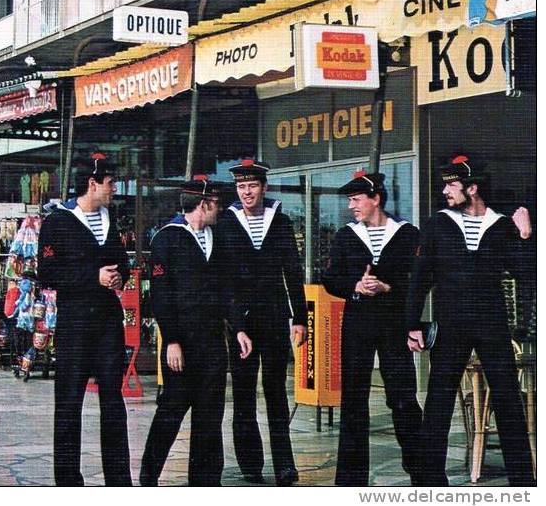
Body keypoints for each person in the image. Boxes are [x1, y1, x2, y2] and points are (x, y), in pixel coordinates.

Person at [406, 155, 536, 486]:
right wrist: (411, 324)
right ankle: (430, 480)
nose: (446, 191)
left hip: (492, 325)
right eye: (446, 185)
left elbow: (527, 275)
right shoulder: (438, 224)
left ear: (472, 188)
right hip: (450, 326)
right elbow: (420, 278)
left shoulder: (503, 225)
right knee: (438, 399)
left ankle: (522, 481)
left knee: (507, 399)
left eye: (452, 185)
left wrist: (525, 235)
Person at [321, 171, 423, 486]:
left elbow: (418, 282)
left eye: (356, 199)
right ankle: (351, 480)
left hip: (394, 326)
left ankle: (421, 469)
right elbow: (329, 279)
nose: (351, 206)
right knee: (353, 400)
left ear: (375, 198)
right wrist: (355, 285)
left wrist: (386, 287)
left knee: (403, 397)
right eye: (350, 200)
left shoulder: (407, 234)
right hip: (357, 325)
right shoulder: (345, 236)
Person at [38, 153, 131, 486]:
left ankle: (119, 480)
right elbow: (47, 273)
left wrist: (120, 276)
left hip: (107, 322)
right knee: (68, 403)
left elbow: (121, 261)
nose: (115, 188)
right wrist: (93, 277)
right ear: (93, 184)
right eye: (110, 182)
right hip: (75, 324)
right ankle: (68, 481)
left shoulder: (111, 218)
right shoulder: (57, 222)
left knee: (113, 400)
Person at [214, 158, 305, 486]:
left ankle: (285, 464)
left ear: (264, 188)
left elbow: (293, 272)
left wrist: (300, 318)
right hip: (241, 324)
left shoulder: (280, 222)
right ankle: (251, 463)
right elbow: (223, 280)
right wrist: (235, 325)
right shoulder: (226, 223)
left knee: (276, 391)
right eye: (241, 187)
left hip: (275, 317)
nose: (247, 192)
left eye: (252, 186)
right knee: (243, 393)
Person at [140, 177, 229, 486]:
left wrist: (239, 329)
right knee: (171, 410)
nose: (220, 209)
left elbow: (226, 291)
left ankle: (206, 481)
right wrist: (172, 339)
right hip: (182, 343)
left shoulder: (217, 238)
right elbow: (161, 296)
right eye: (215, 204)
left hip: (213, 342)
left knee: (210, 414)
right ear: (203, 205)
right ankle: (148, 475)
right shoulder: (166, 239)